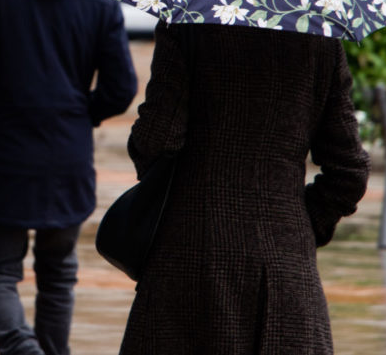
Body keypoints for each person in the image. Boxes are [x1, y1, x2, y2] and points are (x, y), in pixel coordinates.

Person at [118, 22, 371, 355]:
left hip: (190, 254)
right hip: (287, 271)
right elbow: (350, 171)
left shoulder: (188, 23)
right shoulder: (321, 42)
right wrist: (297, 227)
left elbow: (159, 139)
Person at [0, 0, 138, 355]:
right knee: (58, 276)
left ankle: (20, 347)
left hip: (6, 153)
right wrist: (81, 116)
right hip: (67, 158)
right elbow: (121, 87)